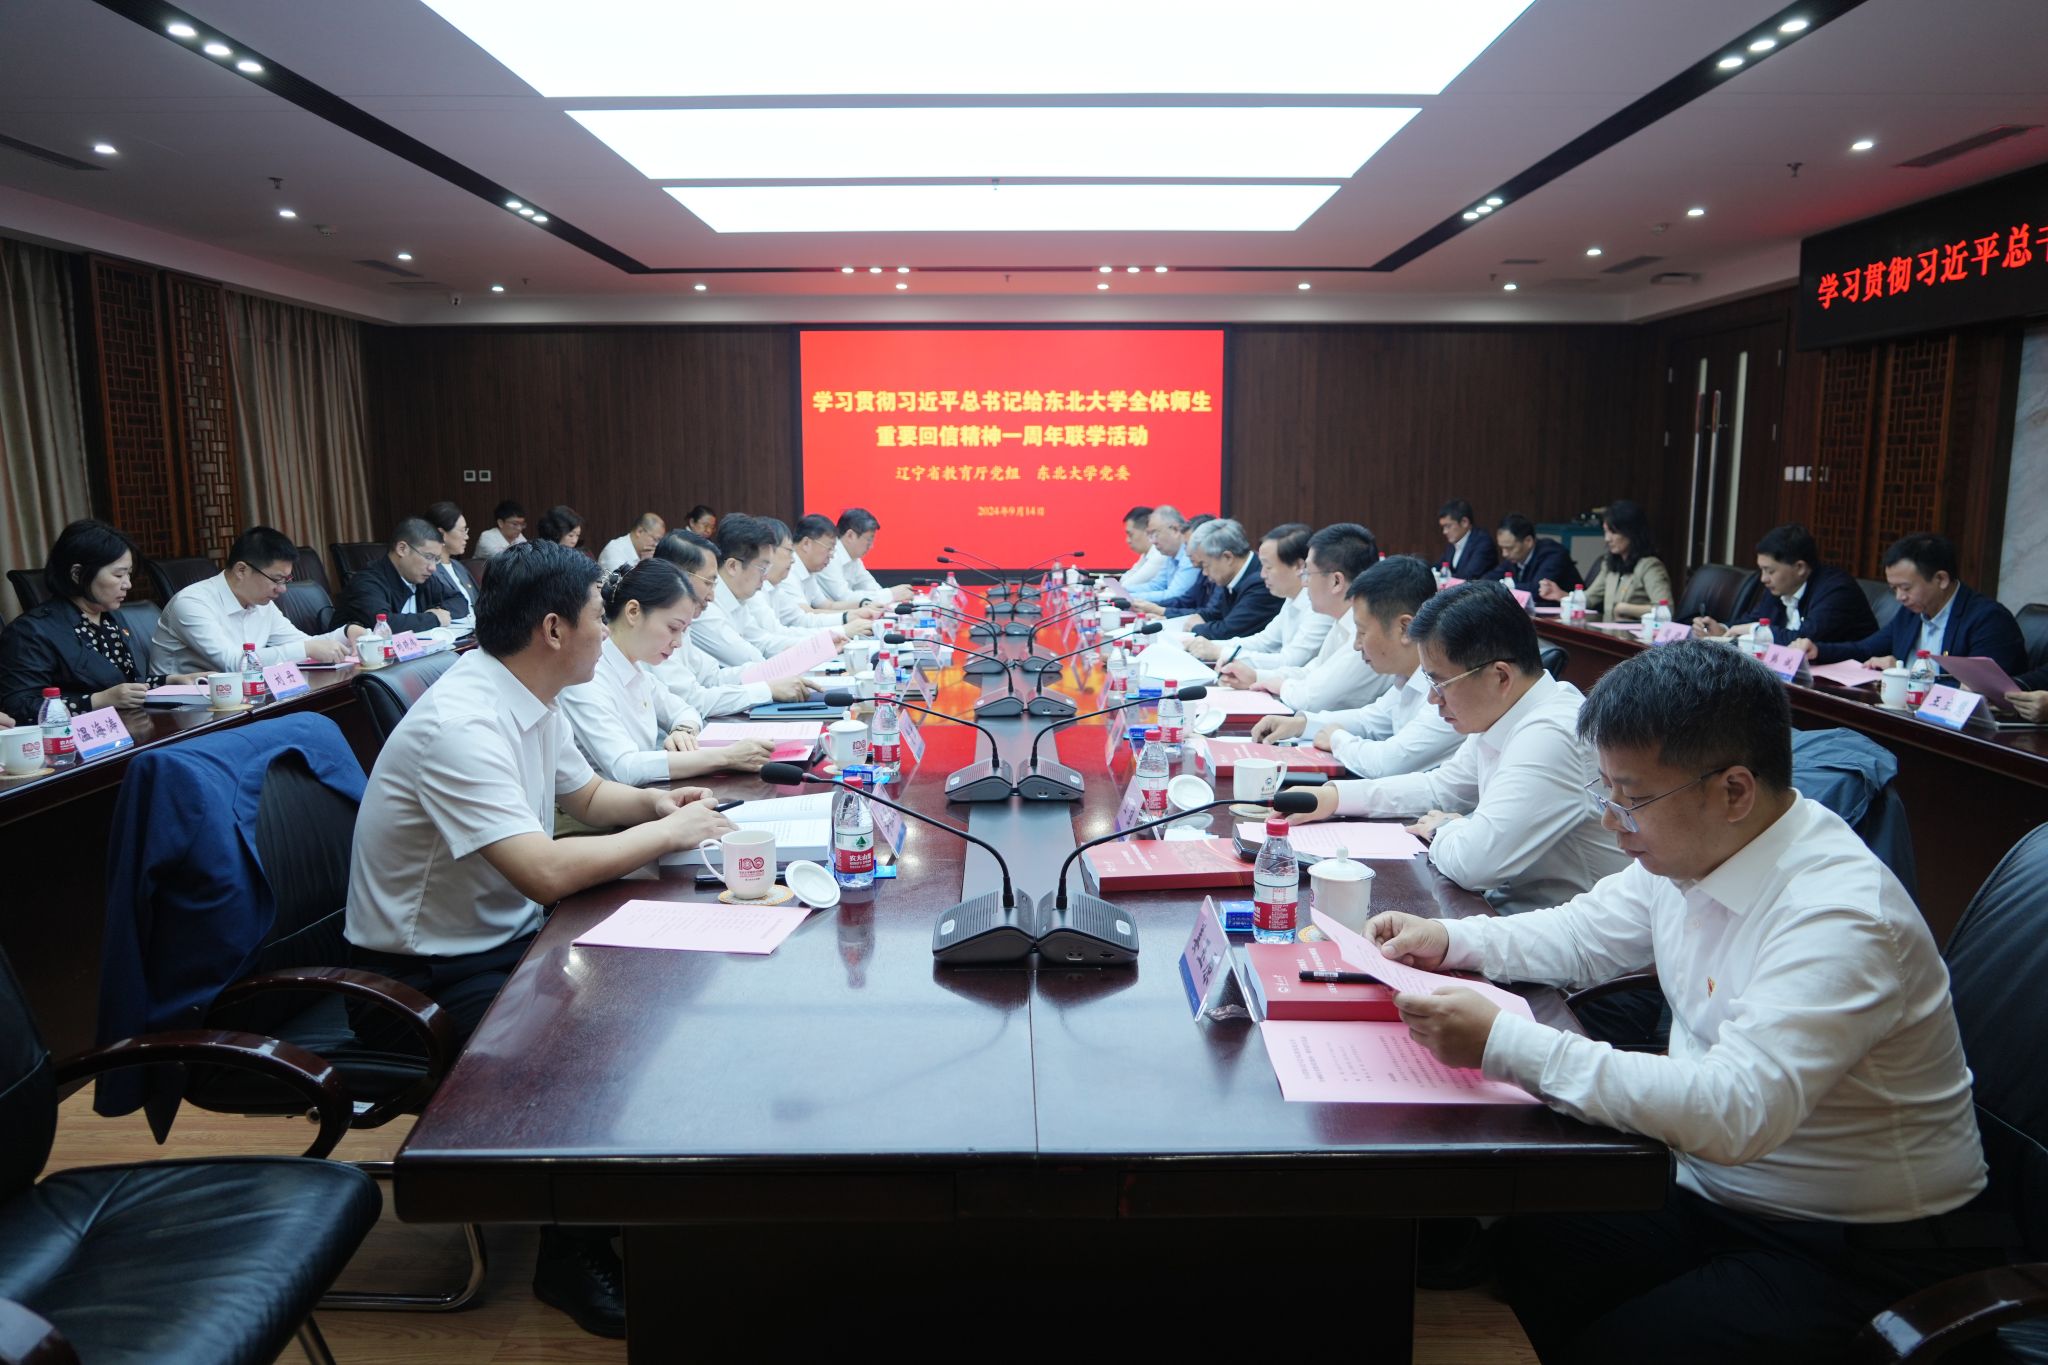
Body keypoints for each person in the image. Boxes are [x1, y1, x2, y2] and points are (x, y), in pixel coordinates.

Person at [1372, 640, 1991, 1364]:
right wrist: (1448, 939)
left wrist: (1504, 1044)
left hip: (1853, 1241)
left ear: (1733, 790)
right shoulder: (1697, 849)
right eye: (1606, 791)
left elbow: (1734, 1110)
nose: (1612, 820)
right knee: (1533, 1246)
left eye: (1632, 798)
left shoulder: (1840, 917)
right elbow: (1583, 933)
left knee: (1622, 1345)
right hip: (1717, 1187)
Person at [344, 541, 737, 1339]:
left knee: (655, 989)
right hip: (416, 979)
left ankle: (620, 1197)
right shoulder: (462, 722)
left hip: (498, 938)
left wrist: (659, 808)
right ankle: (571, 1253)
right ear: (554, 628)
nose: (606, 630)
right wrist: (671, 836)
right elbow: (544, 871)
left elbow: (587, 796)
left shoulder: (530, 692)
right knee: (590, 1039)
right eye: (597, 615)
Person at [1293, 581, 1627, 913]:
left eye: (1440, 682)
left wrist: (1444, 827)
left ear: (1500, 677)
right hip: (1504, 911)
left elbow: (1473, 864)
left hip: (1555, 930)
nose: (1432, 698)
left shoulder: (1551, 734)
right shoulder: (1506, 712)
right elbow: (1440, 789)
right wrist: (1335, 797)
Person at [559, 559, 773, 783]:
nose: (678, 642)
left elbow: (685, 710)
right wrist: (725, 757)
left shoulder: (635, 668)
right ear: (633, 611)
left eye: (683, 631)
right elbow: (625, 767)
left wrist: (683, 731)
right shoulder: (587, 678)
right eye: (673, 628)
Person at [1251, 555, 1462, 779]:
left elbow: (1389, 763)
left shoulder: (1449, 690)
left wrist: (1337, 739)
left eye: (1362, 632)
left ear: (1405, 628)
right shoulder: (1408, 677)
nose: (1356, 645)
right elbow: (1370, 720)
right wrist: (1301, 725)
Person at [0, 519, 203, 718]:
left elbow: (123, 685)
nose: (128, 584)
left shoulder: (111, 618)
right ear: (77, 574)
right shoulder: (30, 632)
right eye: (118, 575)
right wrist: (96, 701)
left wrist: (170, 681)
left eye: (129, 574)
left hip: (131, 726)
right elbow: (18, 705)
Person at [1219, 522, 1391, 713]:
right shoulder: (1342, 620)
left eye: (1308, 573)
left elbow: (1314, 698)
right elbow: (1312, 672)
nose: (1304, 582)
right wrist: (1256, 676)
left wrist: (1276, 684)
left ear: (1336, 581)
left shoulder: (1367, 632)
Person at [1799, 533, 2026, 674]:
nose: (1899, 597)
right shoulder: (1912, 612)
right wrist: (1818, 650)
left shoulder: (1987, 620)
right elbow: (1865, 649)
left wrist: (1903, 675)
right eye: (1894, 589)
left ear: (1941, 579)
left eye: (1906, 588)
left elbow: (1981, 690)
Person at [152, 526, 359, 673]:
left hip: (240, 701)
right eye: (276, 579)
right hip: (180, 710)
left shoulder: (261, 603)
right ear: (241, 570)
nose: (282, 589)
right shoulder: (192, 603)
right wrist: (306, 649)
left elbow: (302, 642)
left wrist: (347, 632)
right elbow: (235, 664)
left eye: (286, 580)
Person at [650, 532, 810, 714]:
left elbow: (712, 677)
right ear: (678, 578)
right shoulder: (657, 627)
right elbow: (692, 700)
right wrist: (767, 690)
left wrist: (775, 674)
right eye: (708, 583)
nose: (712, 596)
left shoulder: (682, 624)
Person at [1692, 523, 1876, 645]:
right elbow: (1754, 619)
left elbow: (1804, 639)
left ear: (1800, 568)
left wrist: (1755, 630)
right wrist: (1722, 629)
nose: (1763, 579)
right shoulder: (1779, 587)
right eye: (1762, 570)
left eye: (1770, 571)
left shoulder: (1836, 591)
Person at [1188, 523, 1331, 666]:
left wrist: (1220, 652)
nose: (1262, 574)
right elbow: (1264, 642)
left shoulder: (1320, 604)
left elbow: (1291, 660)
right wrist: (1210, 645)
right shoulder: (1292, 597)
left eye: (1268, 567)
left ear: (1298, 566)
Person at [1538, 500, 1672, 622]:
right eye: (1605, 532)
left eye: (1613, 532)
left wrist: (1626, 608)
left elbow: (1667, 610)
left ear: (1631, 532)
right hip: (1612, 632)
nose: (1607, 539)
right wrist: (1561, 595)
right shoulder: (1610, 564)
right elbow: (1589, 599)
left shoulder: (1650, 566)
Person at [336, 517, 465, 634]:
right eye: (428, 557)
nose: (433, 568)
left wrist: (438, 611)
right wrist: (433, 618)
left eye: (436, 559)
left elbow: (460, 601)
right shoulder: (367, 582)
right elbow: (384, 625)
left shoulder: (423, 579)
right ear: (402, 549)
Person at [1157, 518, 1279, 640]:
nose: (1204, 573)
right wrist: (1200, 617)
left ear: (1227, 557)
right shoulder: (1230, 574)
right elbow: (1214, 612)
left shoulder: (1261, 581)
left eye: (1205, 565)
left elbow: (1228, 631)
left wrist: (1196, 627)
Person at [760, 518, 874, 639]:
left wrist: (853, 613)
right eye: (789, 551)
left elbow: (805, 616)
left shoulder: (778, 585)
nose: (792, 559)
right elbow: (776, 636)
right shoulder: (786, 576)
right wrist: (843, 628)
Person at [816, 508, 910, 605]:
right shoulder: (830, 556)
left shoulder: (854, 559)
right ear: (850, 535)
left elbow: (872, 587)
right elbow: (843, 597)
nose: (871, 546)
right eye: (869, 540)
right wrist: (890, 594)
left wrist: (892, 594)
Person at [1125, 505, 1199, 605]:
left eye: (1155, 534)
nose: (1152, 541)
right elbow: (1157, 585)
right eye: (1149, 535)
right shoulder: (1170, 554)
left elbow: (1174, 595)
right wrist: (1123, 591)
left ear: (1175, 530)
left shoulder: (1189, 555)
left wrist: (1129, 597)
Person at [1491, 514, 1576, 596]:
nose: (1504, 554)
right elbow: (1490, 578)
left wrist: (1502, 587)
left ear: (1528, 541)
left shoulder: (1553, 554)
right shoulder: (1514, 557)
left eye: (1509, 548)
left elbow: (1537, 589)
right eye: (1502, 548)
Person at [424, 500, 479, 623]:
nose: (467, 536)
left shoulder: (458, 566)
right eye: (462, 530)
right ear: (441, 534)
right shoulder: (427, 570)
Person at [1437, 498, 1499, 581]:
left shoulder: (1483, 543)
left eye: (1448, 526)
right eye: (1443, 527)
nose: (1444, 532)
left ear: (1464, 522)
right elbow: (1439, 566)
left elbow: (1469, 576)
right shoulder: (1453, 544)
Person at [1115, 505, 1165, 593]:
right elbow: (1125, 579)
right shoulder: (1146, 553)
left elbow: (1127, 585)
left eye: (1130, 534)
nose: (1127, 540)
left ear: (1147, 531)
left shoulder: (1160, 554)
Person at [597, 512, 666, 574]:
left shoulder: (648, 554)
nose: (656, 545)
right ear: (639, 531)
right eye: (656, 540)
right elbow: (624, 584)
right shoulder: (614, 551)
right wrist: (646, 565)